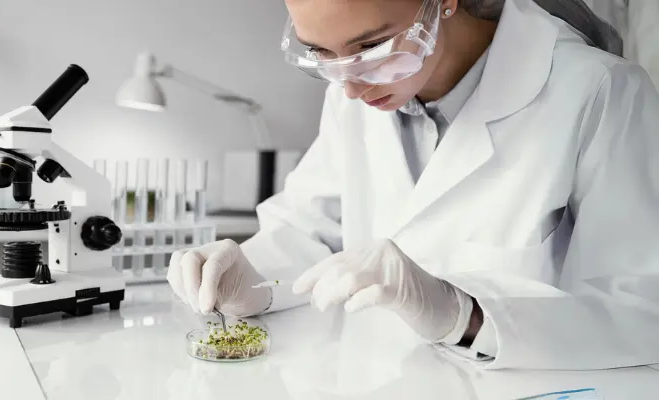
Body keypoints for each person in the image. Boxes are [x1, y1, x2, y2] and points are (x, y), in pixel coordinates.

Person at [167, 0, 659, 370]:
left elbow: (641, 313)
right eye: (321, 54)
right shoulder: (356, 93)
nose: (351, 87)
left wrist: (461, 315)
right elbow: (309, 231)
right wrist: (250, 278)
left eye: (371, 47)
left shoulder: (598, 90)